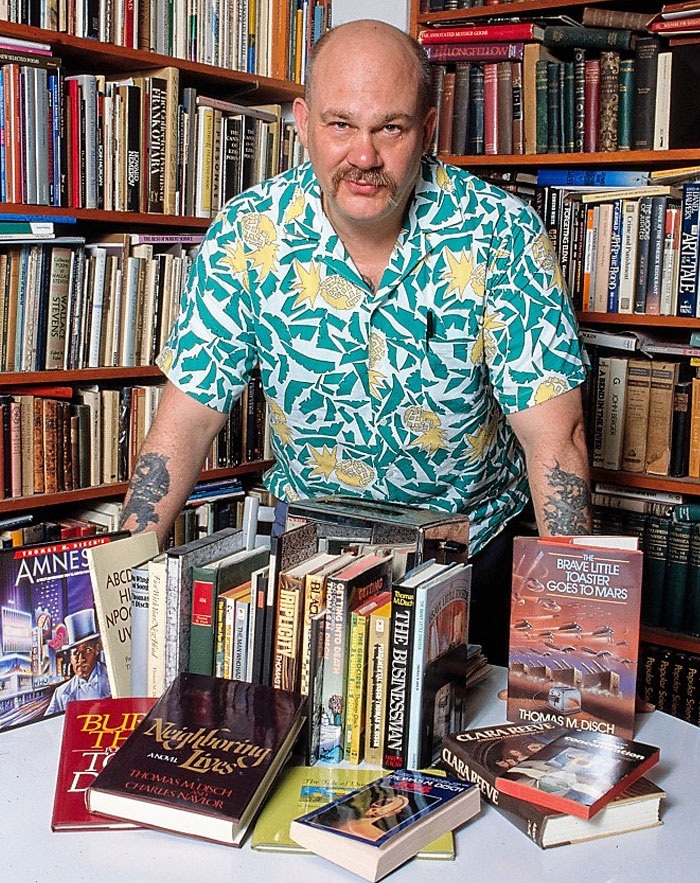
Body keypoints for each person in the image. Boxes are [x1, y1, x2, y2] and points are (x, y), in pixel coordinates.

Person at [120, 20, 591, 663]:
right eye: (341, 124)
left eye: (389, 129)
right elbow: (185, 427)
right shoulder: (245, 234)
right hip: (305, 573)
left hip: (469, 563)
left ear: (427, 129)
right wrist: (123, 598)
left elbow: (554, 438)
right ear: (302, 121)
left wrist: (576, 637)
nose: (363, 157)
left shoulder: (501, 232)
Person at [45, 609, 111, 714]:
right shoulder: (61, 693)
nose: (81, 659)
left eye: (87, 650)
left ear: (97, 650)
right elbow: (48, 726)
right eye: (75, 653)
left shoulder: (114, 679)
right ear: (71, 658)